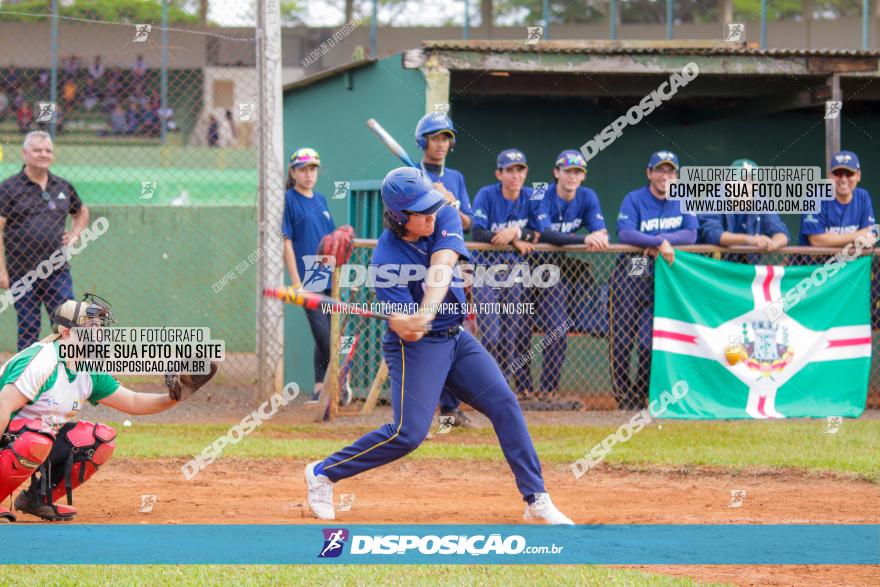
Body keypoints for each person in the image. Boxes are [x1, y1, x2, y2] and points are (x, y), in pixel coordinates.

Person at [304, 167, 574, 525]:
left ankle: (536, 497)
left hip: (455, 337)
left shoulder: (441, 212)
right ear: (401, 218)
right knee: (408, 435)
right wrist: (408, 324)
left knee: (505, 404)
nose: (432, 214)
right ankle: (323, 474)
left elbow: (443, 265)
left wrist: (426, 311)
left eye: (432, 206)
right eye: (421, 211)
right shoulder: (387, 258)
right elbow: (411, 334)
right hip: (416, 349)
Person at [0, 295, 212, 522]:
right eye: (90, 327)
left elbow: (133, 401)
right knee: (36, 440)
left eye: (100, 328)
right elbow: (3, 405)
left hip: (31, 437)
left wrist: (173, 397)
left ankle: (37, 499)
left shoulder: (88, 368)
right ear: (66, 332)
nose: (98, 334)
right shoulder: (42, 360)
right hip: (10, 434)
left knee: (99, 439)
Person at [612, 150, 697, 410]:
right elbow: (625, 233)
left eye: (670, 171)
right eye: (659, 170)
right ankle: (623, 396)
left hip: (663, 274)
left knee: (651, 340)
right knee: (622, 340)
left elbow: (692, 234)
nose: (665, 176)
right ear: (649, 173)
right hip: (633, 269)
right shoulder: (634, 198)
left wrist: (657, 241)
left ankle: (639, 394)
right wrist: (660, 241)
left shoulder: (684, 199)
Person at [0, 131, 90, 351]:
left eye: (48, 150)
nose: (43, 154)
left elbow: (81, 212)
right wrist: (2, 271)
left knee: (68, 325)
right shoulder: (8, 188)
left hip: (58, 271)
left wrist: (76, 232)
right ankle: (26, 380)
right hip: (22, 273)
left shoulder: (63, 186)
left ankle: (69, 377)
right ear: (25, 154)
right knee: (29, 328)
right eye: (37, 150)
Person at [414, 112, 474, 426]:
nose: (441, 144)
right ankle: (419, 408)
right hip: (421, 261)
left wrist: (452, 203)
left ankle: (450, 411)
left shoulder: (456, 178)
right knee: (424, 334)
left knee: (453, 331)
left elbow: (469, 223)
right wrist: (430, 199)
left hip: (450, 260)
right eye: (435, 137)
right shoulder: (410, 175)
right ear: (423, 141)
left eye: (445, 138)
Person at [534, 149, 609, 397]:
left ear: (583, 176)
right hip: (524, 265)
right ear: (557, 173)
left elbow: (601, 232)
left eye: (578, 172)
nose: (572, 176)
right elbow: (545, 233)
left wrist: (596, 235)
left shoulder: (587, 197)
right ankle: (520, 390)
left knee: (557, 328)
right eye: (567, 171)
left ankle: (548, 391)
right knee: (517, 330)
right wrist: (584, 238)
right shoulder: (541, 192)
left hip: (552, 272)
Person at [281, 148, 343, 405]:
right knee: (325, 336)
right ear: (293, 172)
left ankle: (320, 390)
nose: (308, 174)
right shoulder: (288, 199)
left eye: (313, 169)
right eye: (303, 169)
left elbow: (331, 241)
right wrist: (296, 282)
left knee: (325, 336)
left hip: (326, 274)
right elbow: (286, 241)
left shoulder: (321, 200)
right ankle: (341, 382)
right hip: (306, 280)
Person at [698, 158, 790, 257]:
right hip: (709, 265)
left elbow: (781, 231)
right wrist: (749, 239)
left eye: (751, 182)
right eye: (742, 180)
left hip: (744, 266)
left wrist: (773, 243)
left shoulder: (760, 200)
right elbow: (713, 234)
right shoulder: (715, 198)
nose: (747, 187)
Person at [799, 151, 876, 248]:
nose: (843, 179)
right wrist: (857, 235)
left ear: (858, 176)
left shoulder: (863, 197)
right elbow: (816, 240)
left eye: (849, 173)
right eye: (838, 173)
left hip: (851, 261)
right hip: (814, 262)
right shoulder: (814, 198)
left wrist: (829, 240)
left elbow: (869, 239)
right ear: (830, 175)